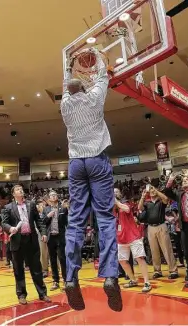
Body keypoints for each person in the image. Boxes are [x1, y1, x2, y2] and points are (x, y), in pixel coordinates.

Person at [60, 47, 121, 311]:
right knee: (105, 218)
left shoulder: (64, 105)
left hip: (75, 164)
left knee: (75, 221)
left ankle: (71, 278)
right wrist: (95, 53)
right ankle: (109, 276)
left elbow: (66, 80)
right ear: (83, 88)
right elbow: (103, 78)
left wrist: (70, 63)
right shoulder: (94, 98)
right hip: (97, 159)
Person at [1, 185, 51, 305]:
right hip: (17, 242)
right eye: (17, 189)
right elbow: (4, 223)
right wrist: (10, 228)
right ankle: (21, 295)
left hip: (31, 240)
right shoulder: (8, 207)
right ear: (13, 194)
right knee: (18, 270)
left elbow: (38, 220)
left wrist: (43, 232)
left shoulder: (31, 204)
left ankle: (42, 293)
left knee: (37, 269)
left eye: (21, 189)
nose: (20, 190)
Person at [114, 188, 151, 293]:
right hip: (121, 238)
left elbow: (127, 209)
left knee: (139, 258)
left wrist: (115, 201)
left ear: (120, 194)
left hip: (133, 236)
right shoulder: (113, 207)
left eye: (116, 191)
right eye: (112, 192)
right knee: (122, 260)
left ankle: (147, 282)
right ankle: (133, 280)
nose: (114, 193)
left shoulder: (126, 203)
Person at [138, 185, 178, 280]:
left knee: (167, 249)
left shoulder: (161, 202)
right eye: (150, 189)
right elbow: (140, 207)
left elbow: (165, 198)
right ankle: (157, 271)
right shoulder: (147, 203)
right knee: (154, 250)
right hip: (151, 227)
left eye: (153, 189)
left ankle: (173, 270)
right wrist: (143, 196)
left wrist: (155, 190)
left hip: (161, 226)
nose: (151, 191)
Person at [164, 172, 188, 287]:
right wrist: (170, 180)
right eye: (183, 180)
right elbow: (167, 192)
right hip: (186, 227)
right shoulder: (179, 194)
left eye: (187, 180)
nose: (184, 181)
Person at [42, 190, 68, 291]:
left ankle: (66, 281)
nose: (53, 197)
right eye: (51, 195)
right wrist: (48, 216)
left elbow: (66, 223)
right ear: (49, 198)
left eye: (54, 195)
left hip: (60, 236)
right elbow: (43, 222)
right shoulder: (46, 209)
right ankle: (55, 281)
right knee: (52, 260)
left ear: (57, 197)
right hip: (50, 237)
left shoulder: (63, 208)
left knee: (62, 259)